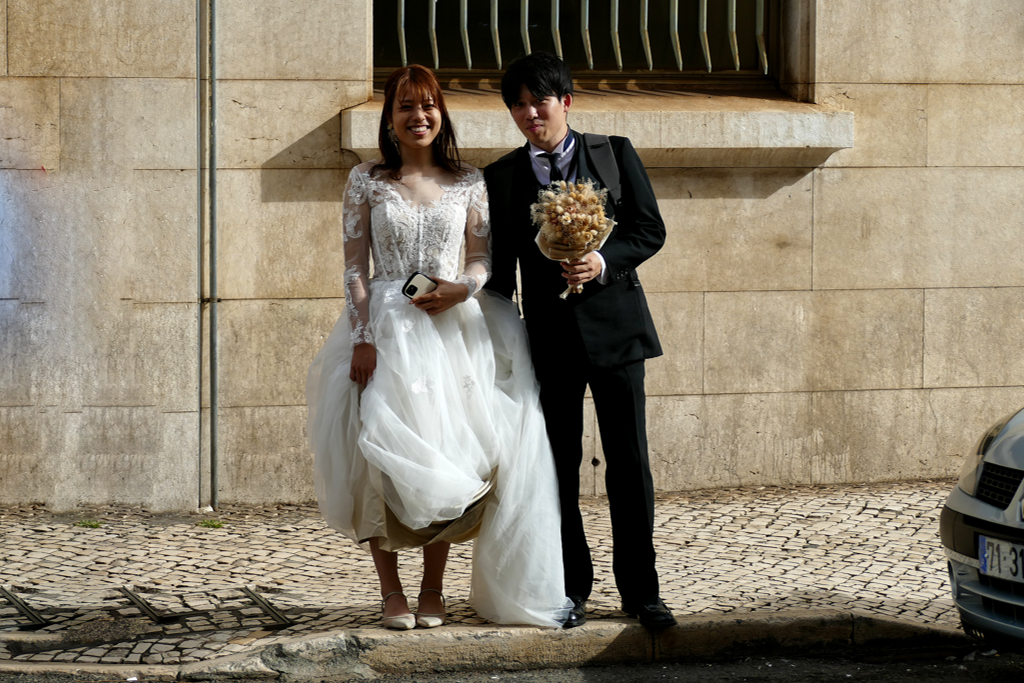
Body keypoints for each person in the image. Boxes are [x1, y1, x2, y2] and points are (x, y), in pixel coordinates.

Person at [307, 64, 570, 630]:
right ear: (390, 118)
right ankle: (390, 591)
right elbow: (355, 269)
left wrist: (463, 288)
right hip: (386, 330)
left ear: (441, 114)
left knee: (452, 454)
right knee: (377, 456)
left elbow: (481, 259)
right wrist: (362, 336)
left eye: (427, 105)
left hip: (453, 330)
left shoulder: (470, 180)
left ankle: (433, 589)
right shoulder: (367, 180)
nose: (418, 116)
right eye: (406, 106)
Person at [484, 52, 675, 630]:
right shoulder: (504, 176)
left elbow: (648, 229)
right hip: (549, 339)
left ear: (565, 101)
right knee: (557, 466)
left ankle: (642, 593)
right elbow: (497, 272)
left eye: (537, 101)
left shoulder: (613, 153)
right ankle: (571, 589)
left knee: (629, 464)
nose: (527, 114)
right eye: (516, 105)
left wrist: (600, 259)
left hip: (618, 332)